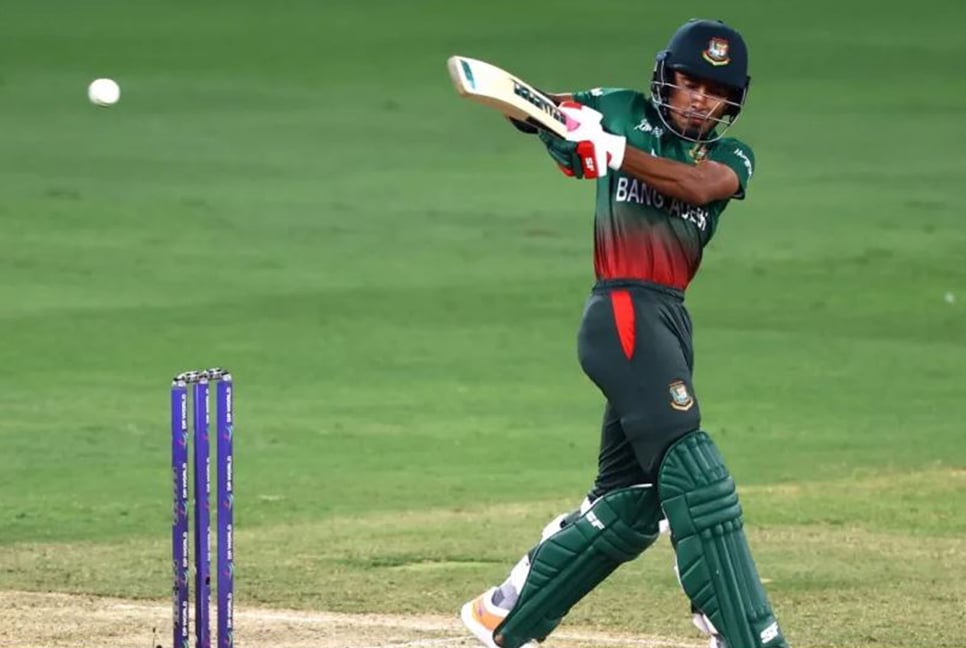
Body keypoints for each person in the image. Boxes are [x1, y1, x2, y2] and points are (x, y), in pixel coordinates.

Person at [458, 18, 789, 648]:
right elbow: (538, 110)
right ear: (666, 78)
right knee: (695, 473)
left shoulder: (731, 157)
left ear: (732, 102)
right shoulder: (621, 111)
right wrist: (555, 120)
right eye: (689, 83)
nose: (699, 99)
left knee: (633, 500)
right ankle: (744, 631)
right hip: (622, 312)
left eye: (715, 91)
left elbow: (697, 186)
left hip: (668, 320)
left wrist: (612, 152)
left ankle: (506, 611)